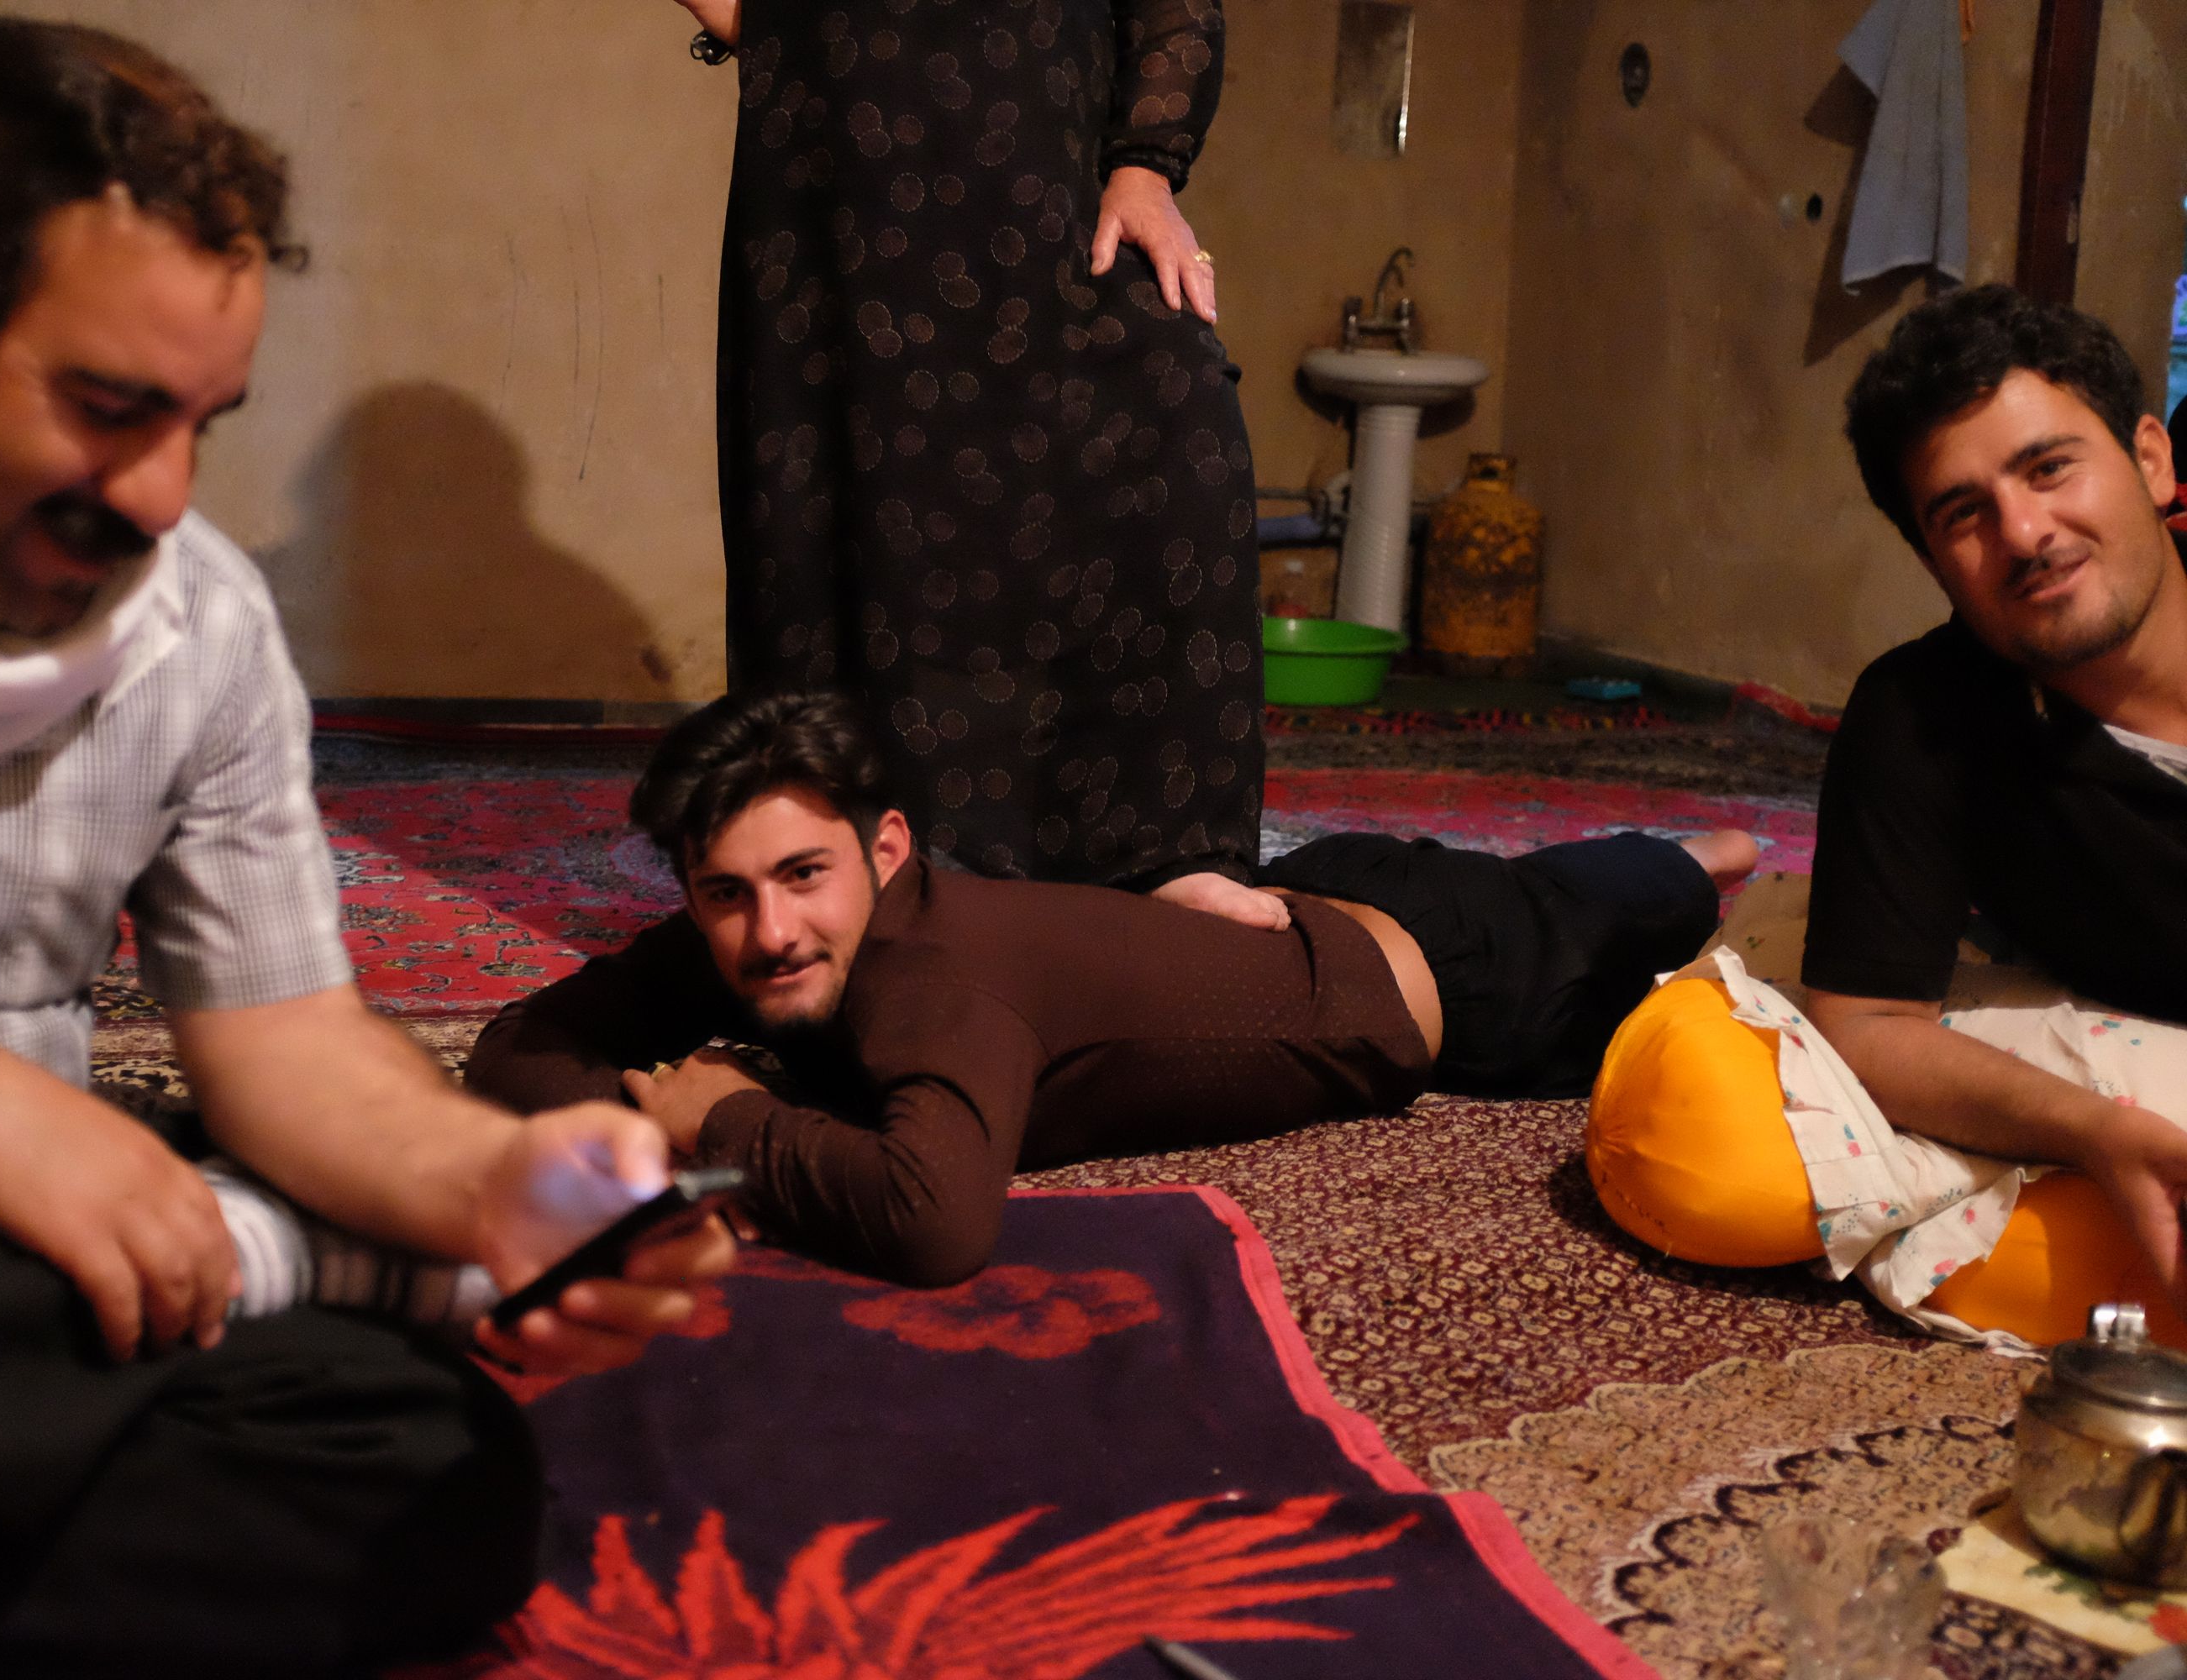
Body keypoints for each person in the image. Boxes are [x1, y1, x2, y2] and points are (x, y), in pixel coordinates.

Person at [0, 19, 728, 1678]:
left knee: (433, 1476)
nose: (165, 494)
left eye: (203, 423)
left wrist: (489, 1185)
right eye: (108, 408)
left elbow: (287, 1045)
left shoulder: (200, 628)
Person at [465, 690, 1754, 1287]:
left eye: (804, 874)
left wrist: (723, 1123)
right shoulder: (767, 929)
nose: (770, 931)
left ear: (889, 849)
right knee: (1579, 888)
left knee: (1686, 903)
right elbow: (519, 1045)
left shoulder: (929, 978)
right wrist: (650, 1113)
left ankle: (1710, 848)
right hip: (1304, 900)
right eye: (726, 893)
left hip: (1460, 982)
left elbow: (935, 1224)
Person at [1584, 286, 2187, 1345]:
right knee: (1720, 1143)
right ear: (1928, 558)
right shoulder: (1923, 716)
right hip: (2122, 1042)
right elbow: (1867, 1024)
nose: (2026, 533)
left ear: (2149, 459)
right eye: (1963, 512)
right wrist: (2098, 1133)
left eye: (2051, 467)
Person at [666, 0, 1275, 929]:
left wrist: (1147, 166)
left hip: (1043, 179)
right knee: (850, 487)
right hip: (838, 187)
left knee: (1174, 398)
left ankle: (1161, 850)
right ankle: (860, 858)